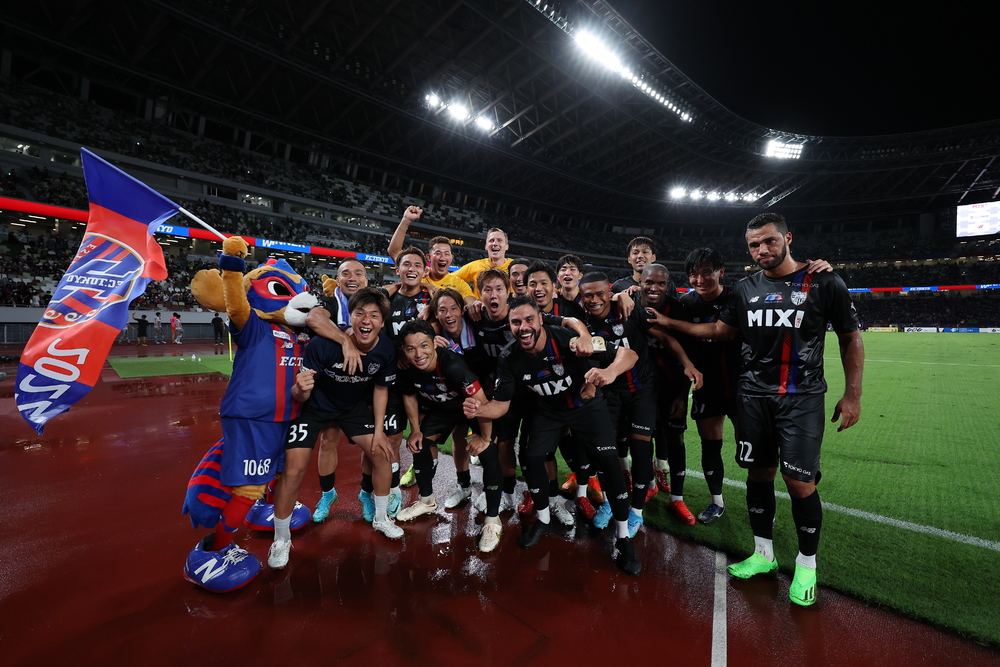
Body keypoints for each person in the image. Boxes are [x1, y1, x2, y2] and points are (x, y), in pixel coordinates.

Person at [652, 212, 864, 606]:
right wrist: (668, 322)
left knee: (799, 481)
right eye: (754, 244)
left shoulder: (823, 281)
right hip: (752, 397)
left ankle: (806, 565)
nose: (762, 250)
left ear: (788, 238)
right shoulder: (746, 288)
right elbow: (720, 330)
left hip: (801, 399)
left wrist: (852, 395)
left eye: (769, 241)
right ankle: (763, 554)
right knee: (759, 473)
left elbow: (850, 337)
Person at [463, 296, 642, 575]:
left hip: (586, 408)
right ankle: (544, 520)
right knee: (532, 456)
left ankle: (623, 538)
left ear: (541, 319)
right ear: (510, 326)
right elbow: (501, 405)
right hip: (549, 412)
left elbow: (629, 355)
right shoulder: (509, 357)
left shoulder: (567, 339)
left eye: (529, 320)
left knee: (609, 463)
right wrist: (480, 409)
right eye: (516, 322)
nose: (523, 327)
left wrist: (610, 371)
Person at [268, 288, 401, 569]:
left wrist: (379, 430)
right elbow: (300, 393)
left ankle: (381, 519)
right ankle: (281, 539)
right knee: (293, 469)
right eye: (360, 313)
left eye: (374, 315)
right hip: (314, 408)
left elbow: (381, 389)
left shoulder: (387, 349)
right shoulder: (322, 345)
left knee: (382, 454)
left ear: (382, 322)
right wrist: (299, 389)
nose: (366, 320)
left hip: (352, 409)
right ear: (350, 317)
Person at [579, 271, 701, 537]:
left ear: (609, 292)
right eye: (588, 295)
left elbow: (666, 338)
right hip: (611, 395)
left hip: (642, 391)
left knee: (641, 450)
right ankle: (610, 503)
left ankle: (636, 511)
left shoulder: (628, 310)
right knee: (607, 452)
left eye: (600, 294)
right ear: (581, 297)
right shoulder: (582, 324)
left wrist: (688, 364)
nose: (595, 300)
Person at [394, 320, 504, 552]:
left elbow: (482, 402)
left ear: (434, 343)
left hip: (474, 407)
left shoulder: (452, 365)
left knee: (488, 453)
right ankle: (426, 501)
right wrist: (415, 429)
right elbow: (409, 395)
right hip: (444, 409)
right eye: (411, 348)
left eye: (424, 346)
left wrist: (485, 438)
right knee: (420, 443)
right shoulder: (406, 366)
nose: (418, 354)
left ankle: (493, 520)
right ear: (403, 349)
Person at [386, 205, 476, 307]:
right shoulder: (419, 273)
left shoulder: (459, 284)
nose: (442, 257)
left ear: (451, 258)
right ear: (429, 257)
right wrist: (406, 220)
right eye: (438, 253)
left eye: (447, 253)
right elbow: (394, 252)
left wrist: (475, 304)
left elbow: (472, 303)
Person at [452, 228, 513, 298]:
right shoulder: (475, 266)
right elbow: (448, 279)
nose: (495, 243)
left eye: (499, 240)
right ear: (486, 246)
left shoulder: (516, 267)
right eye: (491, 240)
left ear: (506, 247)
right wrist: (467, 295)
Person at [612, 237, 677, 296]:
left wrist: (644, 291)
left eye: (645, 252)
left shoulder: (667, 285)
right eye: (635, 253)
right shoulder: (618, 286)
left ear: (653, 257)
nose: (640, 256)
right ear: (629, 259)